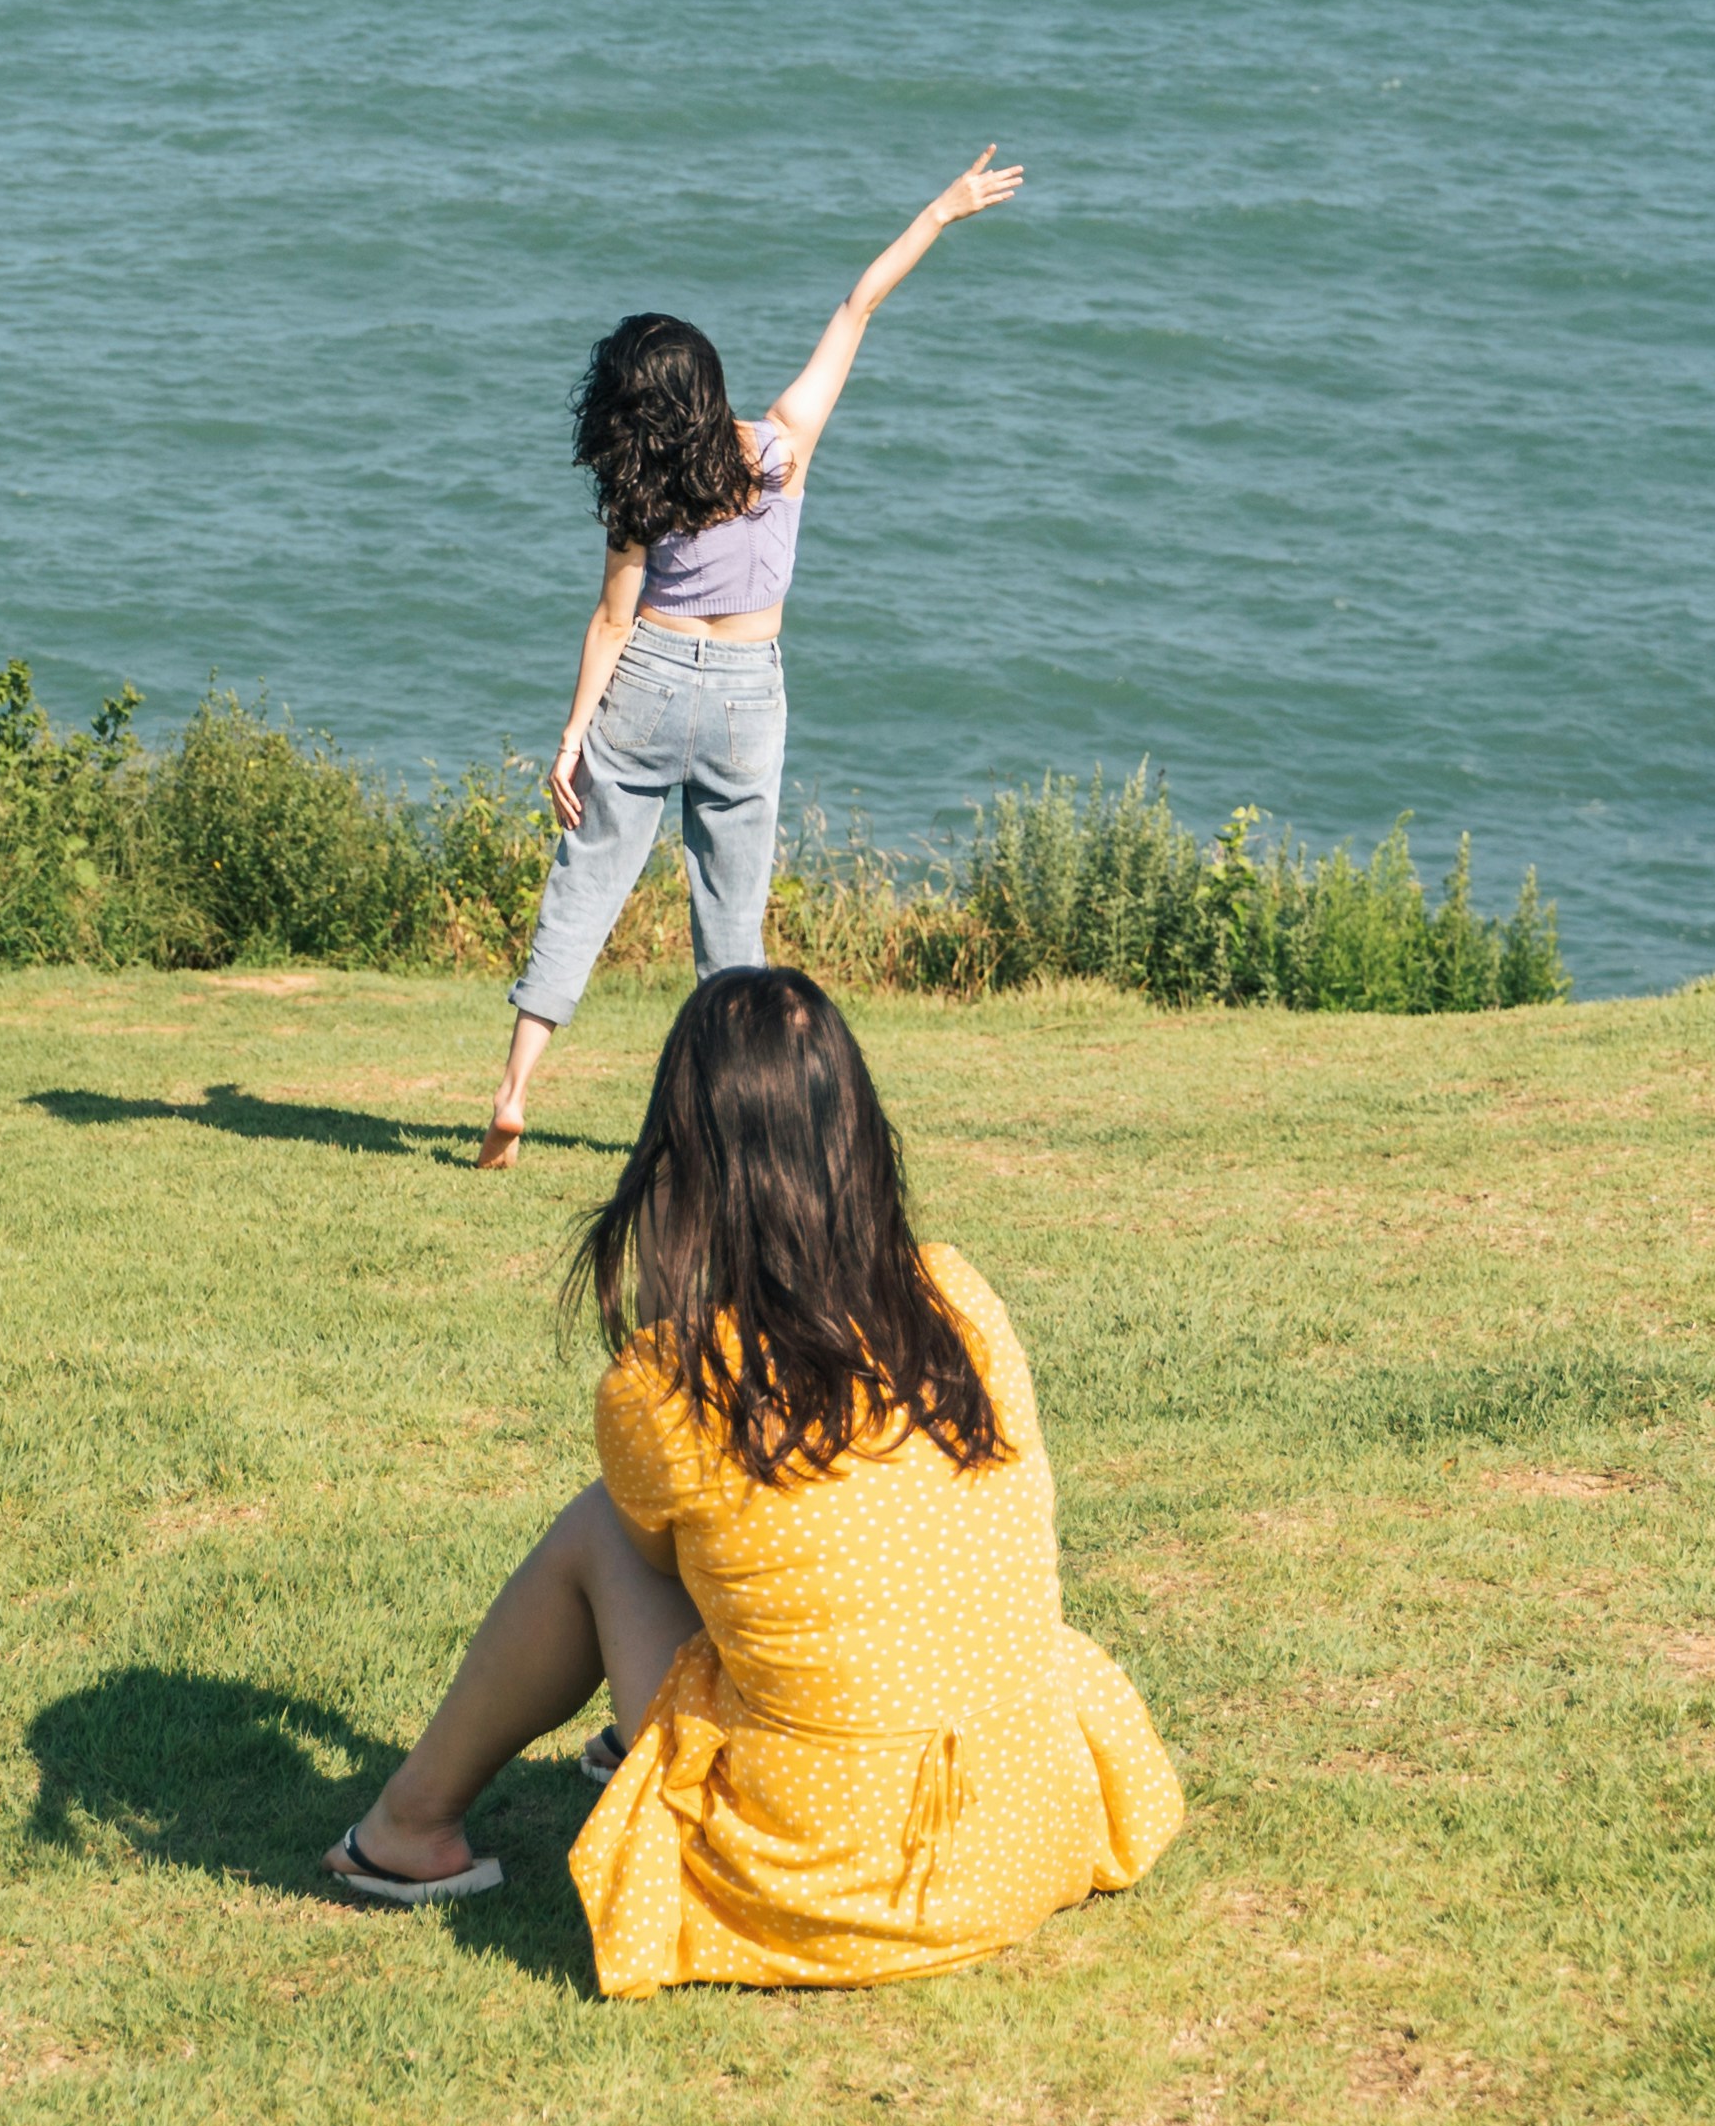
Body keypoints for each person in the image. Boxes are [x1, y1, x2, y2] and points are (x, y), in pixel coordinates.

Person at [326, 964, 1183, 1984]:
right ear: (857, 1135)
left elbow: (654, 1559)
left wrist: (673, 1305)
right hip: (1023, 1821)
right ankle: (582, 1766)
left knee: (606, 1531)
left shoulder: (669, 1379)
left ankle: (412, 1823)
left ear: (681, 1159)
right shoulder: (956, 1295)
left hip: (823, 1874)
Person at [474, 151, 1022, 1171]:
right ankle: (731, 1141)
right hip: (742, 698)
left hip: (642, 683)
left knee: (582, 894)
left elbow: (608, 620)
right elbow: (855, 309)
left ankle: (511, 1093)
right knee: (730, 932)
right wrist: (942, 211)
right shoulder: (779, 448)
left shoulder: (637, 489)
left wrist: (571, 734)